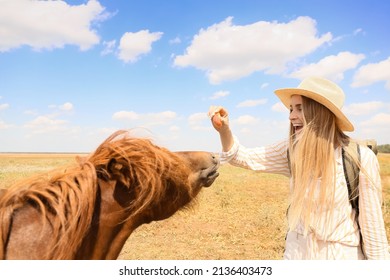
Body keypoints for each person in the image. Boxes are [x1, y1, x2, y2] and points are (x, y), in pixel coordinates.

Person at [208, 76, 390, 260]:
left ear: (320, 111)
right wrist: (225, 130)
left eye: (300, 108)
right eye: (291, 109)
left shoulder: (359, 158)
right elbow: (242, 157)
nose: (291, 116)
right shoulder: (291, 150)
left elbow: (374, 235)